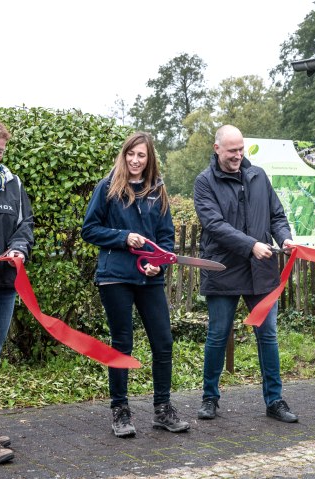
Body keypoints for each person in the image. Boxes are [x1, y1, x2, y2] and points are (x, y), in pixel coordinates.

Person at [81, 131, 189, 437]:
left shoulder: (158, 190)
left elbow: (166, 235)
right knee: (122, 344)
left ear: (149, 158)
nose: (135, 160)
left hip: (149, 278)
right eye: (131, 154)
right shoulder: (108, 187)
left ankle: (163, 410)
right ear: (124, 155)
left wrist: (160, 262)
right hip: (115, 276)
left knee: (163, 342)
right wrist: (123, 237)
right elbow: (89, 230)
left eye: (141, 155)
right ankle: (120, 411)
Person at [194, 124, 298, 423]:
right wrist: (251, 245)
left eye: (240, 149)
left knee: (268, 337)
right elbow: (214, 225)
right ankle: (210, 399)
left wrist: (285, 238)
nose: (238, 155)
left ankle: (274, 401)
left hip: (261, 272)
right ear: (217, 150)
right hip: (223, 269)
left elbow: (277, 215)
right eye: (231, 151)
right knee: (217, 336)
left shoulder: (258, 176)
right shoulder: (204, 182)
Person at [0, 119, 34, 463]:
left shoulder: (12, 184)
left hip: (3, 285)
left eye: (0, 151)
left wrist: (19, 247)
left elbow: (25, 224)